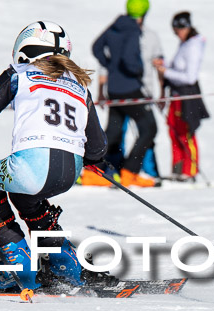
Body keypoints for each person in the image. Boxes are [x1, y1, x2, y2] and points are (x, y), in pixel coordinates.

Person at [0, 21, 107, 291]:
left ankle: (19, 268)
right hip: (71, 170)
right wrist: (93, 160)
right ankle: (66, 264)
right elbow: (97, 148)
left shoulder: (18, 73)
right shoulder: (80, 85)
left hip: (32, 166)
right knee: (26, 197)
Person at [88, 0, 158, 187]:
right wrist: (136, 70)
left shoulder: (116, 25)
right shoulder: (134, 29)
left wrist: (111, 65)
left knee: (113, 130)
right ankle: (130, 172)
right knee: (149, 128)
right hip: (131, 88)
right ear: (144, 13)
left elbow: (96, 47)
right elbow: (129, 59)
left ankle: (92, 171)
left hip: (114, 89)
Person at [157, 11, 209, 182]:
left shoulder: (193, 46)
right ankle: (178, 170)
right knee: (174, 131)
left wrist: (166, 71)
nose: (176, 33)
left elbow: (190, 77)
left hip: (187, 96)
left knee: (186, 133)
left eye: (178, 29)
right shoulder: (185, 43)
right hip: (176, 95)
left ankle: (190, 171)